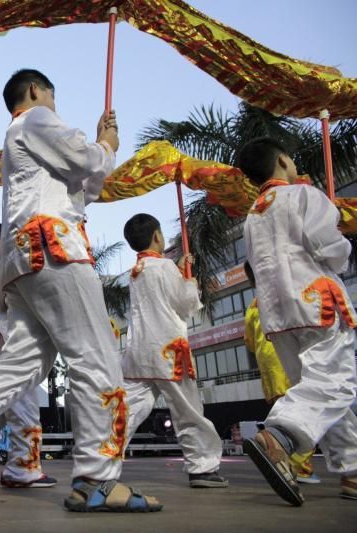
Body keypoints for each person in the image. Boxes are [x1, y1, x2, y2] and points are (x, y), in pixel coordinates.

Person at [0, 69, 162, 511]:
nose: (56, 105)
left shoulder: (23, 139)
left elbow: (86, 186)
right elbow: (88, 161)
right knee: (95, 357)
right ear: (36, 91)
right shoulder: (35, 120)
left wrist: (102, 151)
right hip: (55, 248)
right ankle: (96, 479)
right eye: (53, 96)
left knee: (23, 364)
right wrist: (107, 145)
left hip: (27, 258)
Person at [238, 136, 357, 505]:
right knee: (335, 383)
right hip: (315, 302)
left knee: (321, 389)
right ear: (284, 161)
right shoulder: (304, 195)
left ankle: (352, 470)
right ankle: (281, 436)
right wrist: (343, 246)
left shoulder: (251, 217)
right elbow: (328, 247)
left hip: (279, 316)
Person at [120, 213, 227, 488]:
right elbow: (185, 304)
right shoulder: (163, 268)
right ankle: (202, 467)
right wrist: (190, 283)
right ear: (157, 236)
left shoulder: (138, 271)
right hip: (168, 350)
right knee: (188, 411)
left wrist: (178, 271)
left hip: (139, 353)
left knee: (127, 411)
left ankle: (100, 458)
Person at [0, 222, 56, 488]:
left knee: (1, 413)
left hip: (10, 344)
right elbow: (15, 301)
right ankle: (23, 468)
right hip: (7, 347)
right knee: (22, 408)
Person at [243, 261, 320, 484]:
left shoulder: (253, 307)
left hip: (269, 369)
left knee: (286, 413)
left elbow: (248, 341)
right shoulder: (285, 297)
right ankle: (298, 465)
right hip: (288, 364)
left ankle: (292, 460)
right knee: (303, 414)